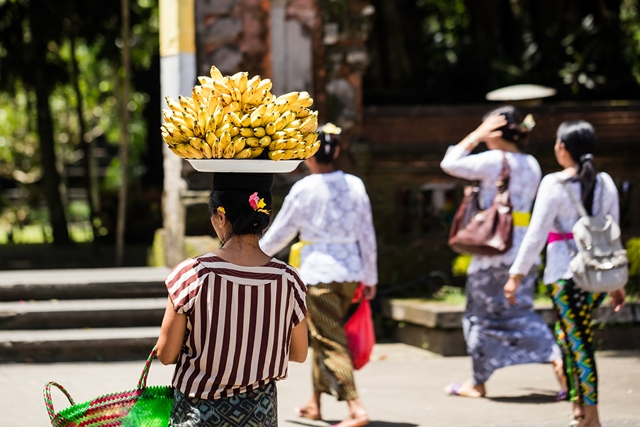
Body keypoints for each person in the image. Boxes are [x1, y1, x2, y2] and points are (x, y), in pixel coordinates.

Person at [156, 172, 309, 427]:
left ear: (221, 217)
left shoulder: (192, 274)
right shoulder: (289, 280)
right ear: (264, 220)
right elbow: (299, 352)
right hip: (260, 416)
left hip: (198, 415)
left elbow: (166, 354)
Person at [505, 120, 626, 427]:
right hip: (597, 276)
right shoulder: (606, 183)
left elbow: (536, 234)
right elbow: (612, 233)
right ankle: (579, 408)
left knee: (579, 342)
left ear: (562, 148)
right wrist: (617, 281)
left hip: (564, 276)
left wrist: (516, 275)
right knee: (569, 337)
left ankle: (592, 418)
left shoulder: (554, 184)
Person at [440, 106, 565, 398]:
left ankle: (477, 382)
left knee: (479, 317)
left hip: (492, 252)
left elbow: (450, 162)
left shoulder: (494, 160)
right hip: (523, 253)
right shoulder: (532, 163)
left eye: (487, 131)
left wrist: (474, 136)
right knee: (522, 313)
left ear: (496, 132)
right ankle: (560, 365)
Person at [260, 124, 378, 427]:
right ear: (336, 151)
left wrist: (250, 257)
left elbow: (281, 233)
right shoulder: (355, 184)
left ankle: (356, 409)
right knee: (323, 336)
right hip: (351, 272)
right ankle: (314, 403)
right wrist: (371, 277)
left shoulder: (304, 188)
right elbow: (367, 234)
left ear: (307, 155)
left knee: (330, 339)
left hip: (318, 275)